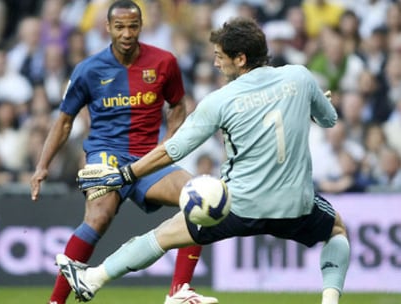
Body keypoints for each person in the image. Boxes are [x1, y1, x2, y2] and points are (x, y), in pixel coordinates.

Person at [56, 17, 350, 304]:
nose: (215, 63)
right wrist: (307, 105)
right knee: (336, 230)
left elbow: (172, 150)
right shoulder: (299, 76)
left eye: (220, 57)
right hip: (294, 205)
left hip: (239, 205)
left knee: (161, 236)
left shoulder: (219, 100)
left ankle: (92, 279)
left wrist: (126, 175)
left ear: (241, 59)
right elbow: (329, 119)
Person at [30, 1, 217, 304]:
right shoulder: (88, 70)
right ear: (108, 28)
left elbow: (178, 106)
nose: (127, 33)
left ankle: (179, 291)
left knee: (200, 198)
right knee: (99, 217)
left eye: (133, 26)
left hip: (148, 159)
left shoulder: (164, 62)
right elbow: (64, 122)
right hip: (106, 156)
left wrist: (168, 144)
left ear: (141, 26)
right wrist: (42, 165)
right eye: (120, 27)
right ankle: (56, 302)